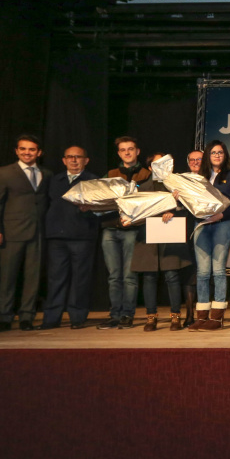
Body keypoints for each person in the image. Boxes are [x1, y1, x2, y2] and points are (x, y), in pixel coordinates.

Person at [0, 134, 52, 332]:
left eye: (31, 149)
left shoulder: (47, 174)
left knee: (33, 277)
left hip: (38, 233)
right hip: (11, 232)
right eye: (23, 149)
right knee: (8, 276)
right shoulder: (3, 173)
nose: (27, 152)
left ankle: (26, 317)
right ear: (17, 151)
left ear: (39, 153)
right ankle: (5, 317)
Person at [130, 153, 194, 331]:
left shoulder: (176, 186)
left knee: (172, 275)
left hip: (169, 234)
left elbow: (189, 209)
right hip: (147, 237)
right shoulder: (142, 188)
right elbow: (135, 213)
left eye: (166, 163)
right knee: (149, 276)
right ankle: (151, 317)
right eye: (157, 163)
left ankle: (175, 316)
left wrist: (176, 208)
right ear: (150, 167)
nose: (163, 166)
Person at [41, 145, 99, 330]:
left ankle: (77, 316)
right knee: (56, 278)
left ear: (86, 160)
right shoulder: (53, 180)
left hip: (82, 235)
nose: (74, 160)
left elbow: (104, 208)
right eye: (70, 157)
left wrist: (91, 209)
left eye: (78, 157)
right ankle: (51, 318)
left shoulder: (93, 180)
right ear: (64, 160)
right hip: (57, 237)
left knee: (80, 279)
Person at [97, 136, 152, 330]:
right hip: (110, 228)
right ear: (119, 153)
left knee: (129, 275)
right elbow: (101, 197)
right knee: (113, 275)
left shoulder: (146, 174)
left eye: (130, 149)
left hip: (132, 229)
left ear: (137, 151)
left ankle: (127, 314)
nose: (127, 153)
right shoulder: (111, 173)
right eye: (123, 150)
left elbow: (148, 203)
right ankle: (114, 314)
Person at [188, 140, 230, 331]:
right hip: (201, 225)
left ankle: (217, 317)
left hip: (222, 224)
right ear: (208, 156)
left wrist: (221, 215)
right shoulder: (198, 176)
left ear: (225, 155)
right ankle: (201, 317)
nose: (217, 156)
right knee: (202, 272)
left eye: (220, 152)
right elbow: (192, 200)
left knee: (218, 270)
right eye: (213, 153)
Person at [180, 150, 203, 328]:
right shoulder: (181, 180)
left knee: (205, 272)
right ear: (188, 163)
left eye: (199, 159)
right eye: (192, 160)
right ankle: (189, 314)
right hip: (186, 229)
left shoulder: (211, 179)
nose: (196, 162)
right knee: (189, 271)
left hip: (208, 227)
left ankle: (205, 314)